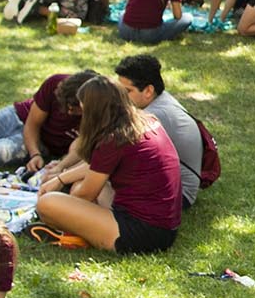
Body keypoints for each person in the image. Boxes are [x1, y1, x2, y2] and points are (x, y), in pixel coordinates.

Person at [32, 74, 184, 253]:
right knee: (78, 185)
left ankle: (80, 235)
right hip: (163, 226)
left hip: (139, 234)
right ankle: (84, 232)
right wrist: (60, 178)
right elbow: (95, 167)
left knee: (47, 203)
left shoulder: (114, 139)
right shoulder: (144, 120)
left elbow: (85, 195)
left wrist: (63, 197)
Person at [114, 53, 207, 208]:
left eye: (127, 91)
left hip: (179, 194)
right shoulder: (160, 99)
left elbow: (114, 154)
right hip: (168, 185)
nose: (120, 97)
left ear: (148, 91)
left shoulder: (154, 116)